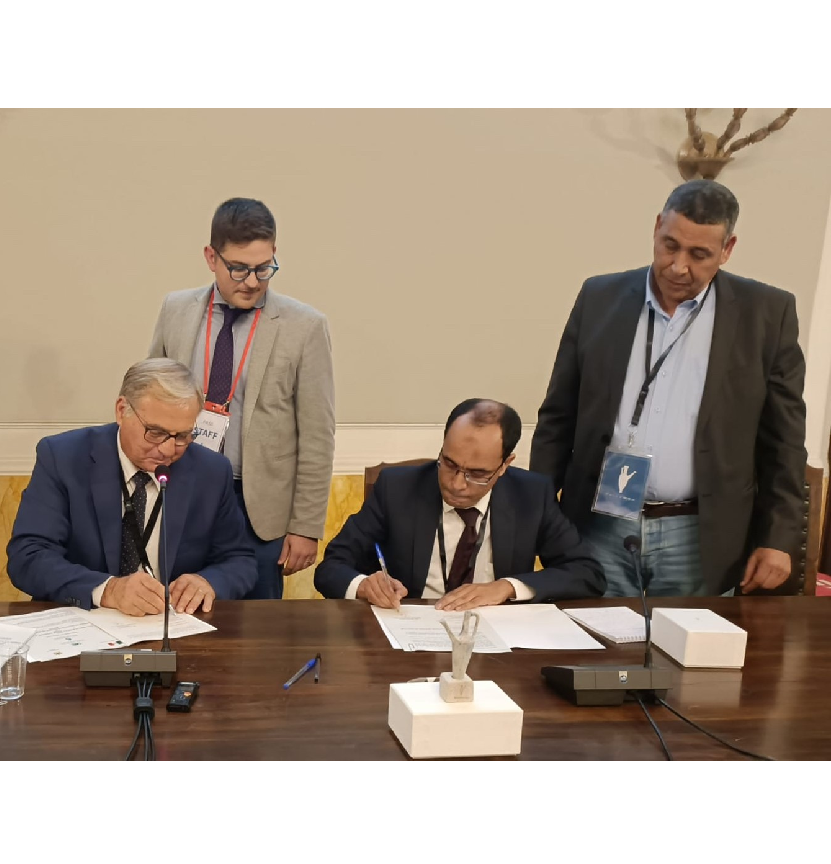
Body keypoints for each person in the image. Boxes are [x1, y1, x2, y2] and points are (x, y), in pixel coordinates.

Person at [530, 179, 806, 597]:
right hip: (598, 526)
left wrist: (778, 537)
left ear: (727, 249)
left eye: (699, 255)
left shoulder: (767, 314)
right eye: (670, 246)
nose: (678, 266)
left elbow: (784, 440)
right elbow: (558, 416)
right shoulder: (599, 297)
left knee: (688, 642)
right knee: (590, 638)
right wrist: (535, 512)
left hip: (700, 536)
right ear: (657, 227)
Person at [148, 197, 335, 599]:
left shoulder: (305, 327)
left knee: (257, 624)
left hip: (257, 509)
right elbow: (149, 401)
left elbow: (318, 435)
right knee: (177, 608)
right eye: (239, 268)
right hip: (181, 490)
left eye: (264, 268)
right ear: (210, 257)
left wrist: (306, 526)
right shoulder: (176, 310)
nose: (252, 282)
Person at [6, 358, 256, 614]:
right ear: (121, 410)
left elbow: (239, 560)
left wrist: (208, 582)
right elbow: (28, 556)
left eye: (182, 436)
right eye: (155, 432)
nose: (168, 450)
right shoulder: (64, 458)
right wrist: (107, 590)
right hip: (82, 620)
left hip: (172, 624)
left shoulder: (211, 471)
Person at [315, 399, 604, 608]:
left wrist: (507, 587)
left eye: (477, 474)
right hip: (411, 631)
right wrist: (364, 586)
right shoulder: (397, 489)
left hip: (499, 636)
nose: (456, 483)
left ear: (505, 465)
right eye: (449, 464)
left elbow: (587, 573)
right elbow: (331, 567)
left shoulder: (531, 495)